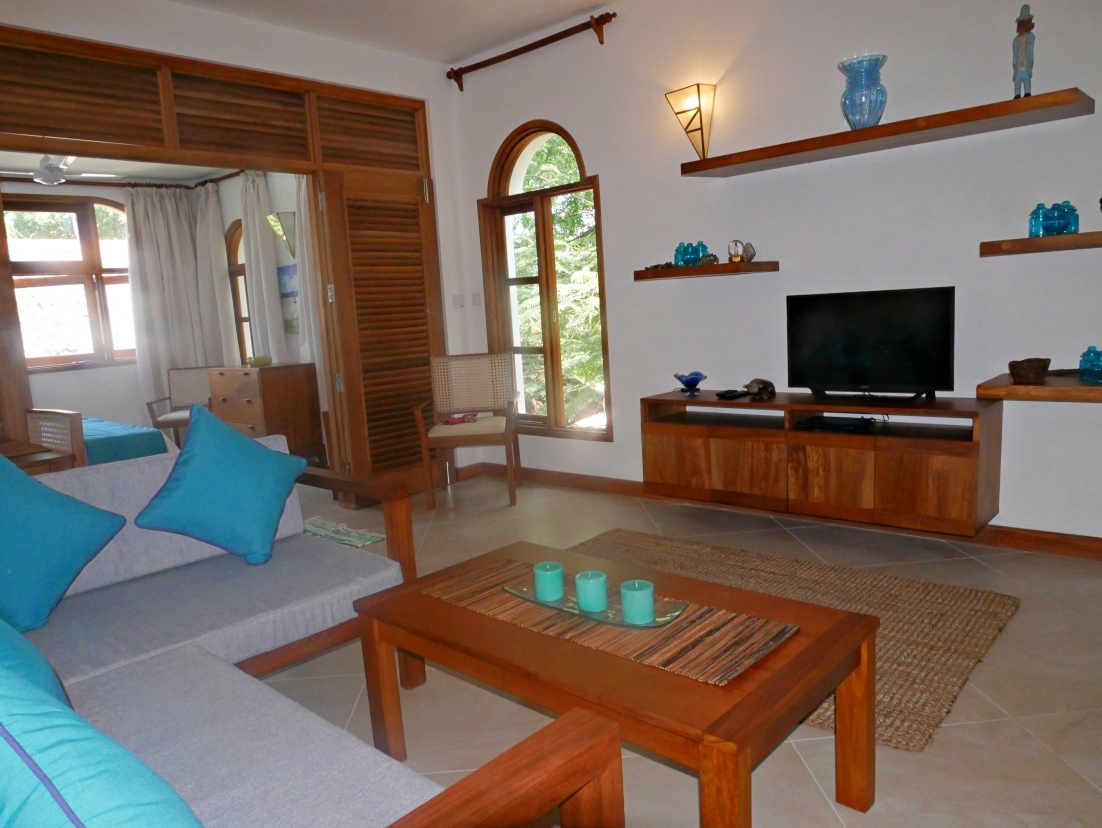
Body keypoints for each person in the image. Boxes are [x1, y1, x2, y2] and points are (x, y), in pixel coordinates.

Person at [1013, 5, 1035, 99]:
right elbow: (1015, 53)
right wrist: (1014, 63)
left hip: (1025, 65)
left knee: (1026, 80)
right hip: (1018, 66)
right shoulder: (1016, 40)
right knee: (1017, 81)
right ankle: (1017, 94)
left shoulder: (1030, 37)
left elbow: (1031, 50)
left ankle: (1027, 93)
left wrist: (1031, 60)